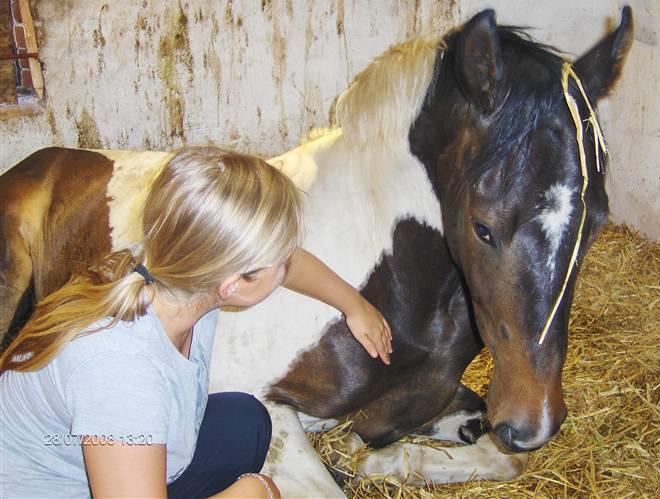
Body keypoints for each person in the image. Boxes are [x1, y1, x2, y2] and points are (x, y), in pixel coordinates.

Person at [0, 146, 393, 498]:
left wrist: (354, 304)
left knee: (246, 422)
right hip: (54, 487)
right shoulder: (120, 370)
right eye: (281, 253)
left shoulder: (174, 268)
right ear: (235, 284)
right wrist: (253, 493)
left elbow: (291, 266)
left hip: (104, 455)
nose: (290, 259)